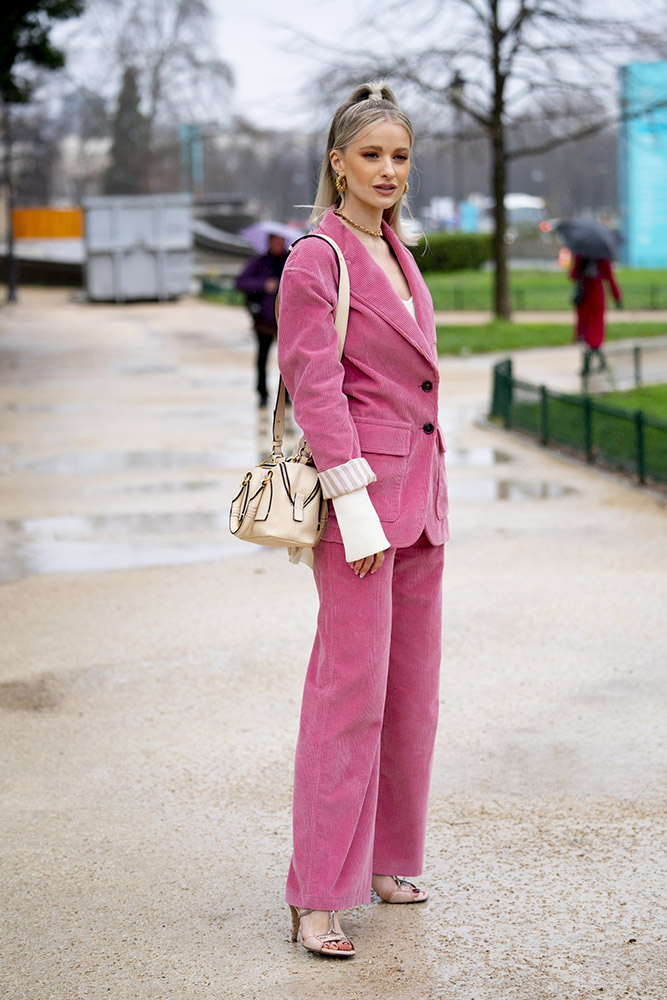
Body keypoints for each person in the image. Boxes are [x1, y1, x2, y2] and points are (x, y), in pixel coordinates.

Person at [277, 81, 449, 959]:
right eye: (372, 155)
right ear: (337, 162)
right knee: (347, 700)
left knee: (409, 696)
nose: (388, 170)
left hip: (420, 505)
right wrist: (353, 501)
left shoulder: (397, 251)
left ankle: (386, 860)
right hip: (361, 511)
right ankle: (317, 894)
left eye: (400, 156)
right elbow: (316, 388)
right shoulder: (319, 256)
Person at [236, 233, 289, 406]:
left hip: (287, 320)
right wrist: (263, 284)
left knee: (288, 361)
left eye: (280, 241)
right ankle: (262, 394)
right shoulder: (260, 262)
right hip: (264, 321)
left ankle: (287, 396)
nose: (278, 244)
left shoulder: (291, 260)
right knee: (262, 358)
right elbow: (241, 282)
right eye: (275, 241)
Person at [571, 254, 622, 376]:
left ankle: (590, 365)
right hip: (594, 297)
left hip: (587, 298)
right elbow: (609, 277)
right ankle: (597, 364)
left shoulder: (581, 256)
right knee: (593, 332)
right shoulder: (601, 258)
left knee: (591, 332)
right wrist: (617, 297)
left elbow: (573, 275)